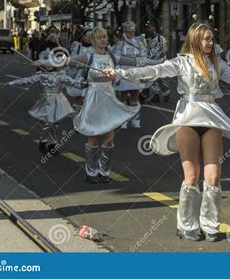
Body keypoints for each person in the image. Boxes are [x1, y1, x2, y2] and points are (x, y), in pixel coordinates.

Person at [102, 23, 230, 242]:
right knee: (191, 177)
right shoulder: (181, 62)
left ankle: (210, 224)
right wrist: (121, 72)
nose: (211, 42)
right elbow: (154, 70)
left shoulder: (217, 64)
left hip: (211, 117)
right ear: (195, 40)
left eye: (212, 38)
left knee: (213, 176)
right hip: (188, 117)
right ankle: (186, 225)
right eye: (207, 39)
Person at [34, 27, 160, 183]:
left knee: (109, 140)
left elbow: (136, 62)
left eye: (105, 37)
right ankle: (91, 171)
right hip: (93, 98)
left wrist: (158, 63)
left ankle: (104, 171)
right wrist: (43, 62)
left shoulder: (112, 57)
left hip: (109, 98)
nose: (104, 40)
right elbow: (65, 60)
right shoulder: (88, 57)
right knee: (93, 137)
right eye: (100, 37)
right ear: (93, 40)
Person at [8, 50, 85, 155]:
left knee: (54, 125)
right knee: (48, 123)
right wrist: (12, 82)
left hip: (59, 101)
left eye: (51, 63)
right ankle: (43, 142)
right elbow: (26, 80)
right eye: (46, 63)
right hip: (46, 102)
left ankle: (52, 145)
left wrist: (85, 84)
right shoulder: (40, 75)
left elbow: (74, 82)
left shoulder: (60, 75)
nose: (49, 65)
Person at [114, 21, 148, 128]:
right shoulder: (120, 44)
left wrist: (143, 71)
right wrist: (118, 74)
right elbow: (117, 59)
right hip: (124, 73)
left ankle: (135, 120)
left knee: (135, 96)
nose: (131, 34)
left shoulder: (139, 43)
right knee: (123, 97)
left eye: (133, 31)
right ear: (125, 32)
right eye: (129, 32)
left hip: (135, 73)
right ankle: (123, 120)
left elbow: (143, 57)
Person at [66, 28, 93, 111]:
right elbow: (73, 60)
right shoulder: (77, 47)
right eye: (87, 36)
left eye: (91, 36)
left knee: (90, 96)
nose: (89, 38)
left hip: (91, 75)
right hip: (78, 74)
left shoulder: (95, 48)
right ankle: (77, 113)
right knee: (79, 95)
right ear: (83, 37)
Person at [145, 22, 170, 103]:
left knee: (162, 79)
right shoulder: (147, 39)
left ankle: (166, 93)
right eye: (147, 28)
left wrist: (161, 59)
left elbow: (164, 50)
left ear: (154, 28)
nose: (149, 30)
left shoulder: (160, 38)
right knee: (153, 79)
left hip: (160, 62)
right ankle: (156, 95)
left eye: (150, 28)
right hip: (152, 62)